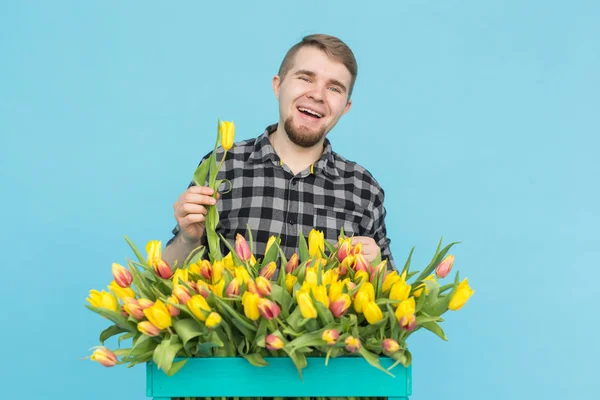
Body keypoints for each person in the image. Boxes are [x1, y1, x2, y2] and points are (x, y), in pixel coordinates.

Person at [164, 34, 395, 272]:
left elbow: (393, 298)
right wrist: (187, 238)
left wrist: (376, 267)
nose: (317, 95)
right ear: (278, 85)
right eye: (306, 78)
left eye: (334, 88)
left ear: (345, 107)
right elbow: (166, 277)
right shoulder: (222, 166)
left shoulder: (363, 188)